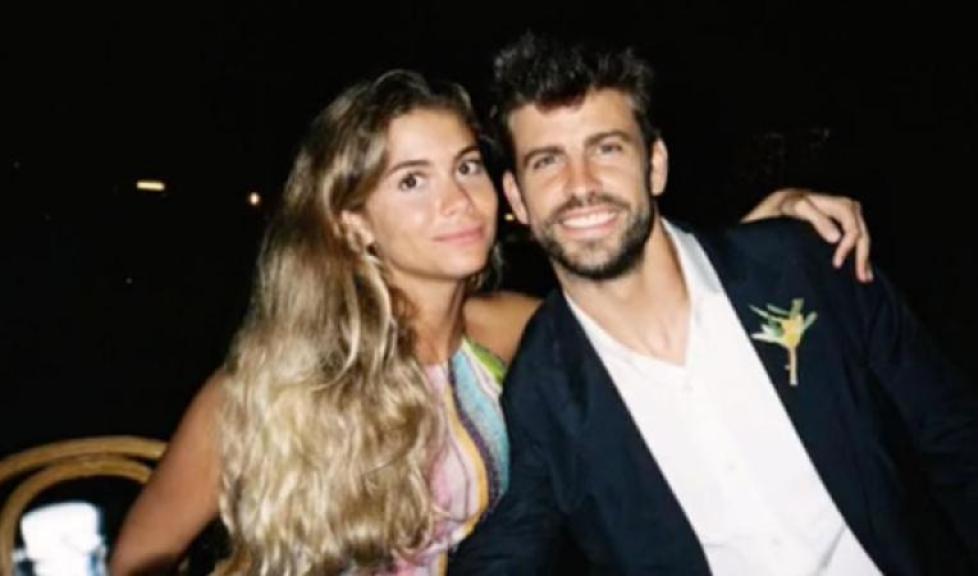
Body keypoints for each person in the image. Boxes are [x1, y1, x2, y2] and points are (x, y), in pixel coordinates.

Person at [109, 69, 873, 575]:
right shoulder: (266, 386)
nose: (458, 200)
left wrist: (761, 234)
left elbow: (650, 298)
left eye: (466, 165)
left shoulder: (507, 331)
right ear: (352, 222)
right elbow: (135, 561)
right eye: (412, 180)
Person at [450, 33, 978, 575]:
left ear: (655, 165)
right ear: (516, 197)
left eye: (607, 148)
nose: (581, 184)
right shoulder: (539, 394)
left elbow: (955, 436)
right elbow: (505, 553)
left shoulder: (804, 264)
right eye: (547, 160)